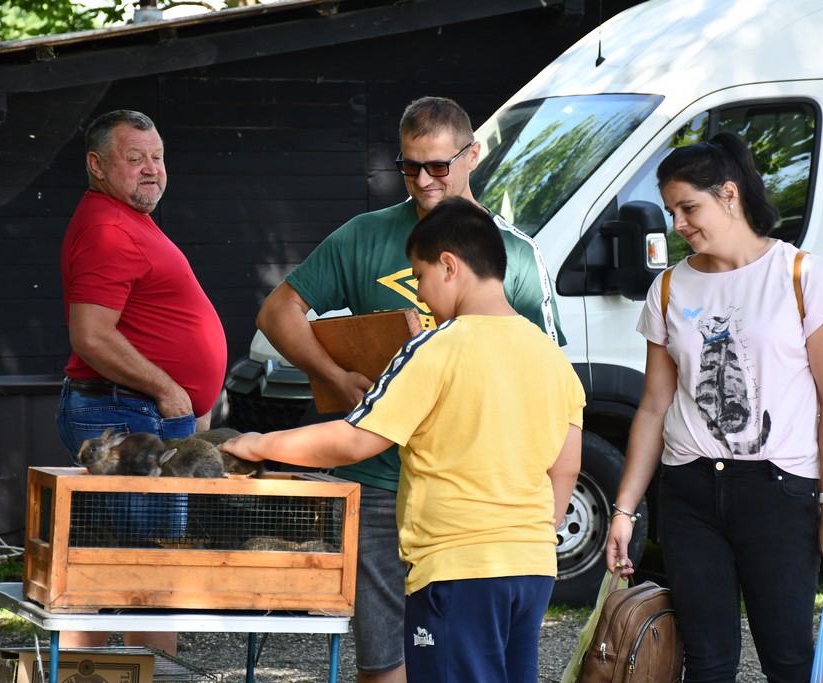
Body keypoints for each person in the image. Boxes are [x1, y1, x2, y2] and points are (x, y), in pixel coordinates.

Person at [254, 96, 564, 682]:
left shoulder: (516, 254)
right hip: (378, 484)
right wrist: (335, 376)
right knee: (385, 659)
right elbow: (279, 311)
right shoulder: (364, 234)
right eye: (410, 166)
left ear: (472, 156)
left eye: (439, 166)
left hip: (475, 504)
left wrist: (542, 507)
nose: (423, 180)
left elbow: (549, 383)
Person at [604, 131, 823, 683]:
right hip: (689, 490)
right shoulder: (669, 288)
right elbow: (653, 407)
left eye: (688, 207)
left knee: (788, 657)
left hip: (779, 490)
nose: (678, 225)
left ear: (729, 195)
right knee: (706, 661)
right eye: (671, 211)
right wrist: (623, 510)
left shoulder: (803, 276)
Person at [55, 109, 228, 655]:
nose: (152, 169)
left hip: (134, 410)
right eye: (136, 159)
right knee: (151, 561)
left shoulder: (125, 219)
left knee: (122, 555)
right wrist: (170, 390)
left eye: (157, 157)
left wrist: (186, 397)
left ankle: (103, 667)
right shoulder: (107, 228)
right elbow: (91, 336)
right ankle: (142, 669)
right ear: (97, 165)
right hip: (124, 411)